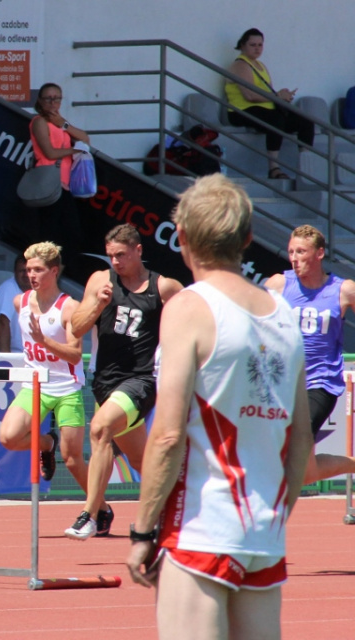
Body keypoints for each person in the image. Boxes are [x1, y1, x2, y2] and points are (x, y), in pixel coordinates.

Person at [126, 174, 312, 640]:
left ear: (182, 238)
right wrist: (273, 515)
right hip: (263, 534)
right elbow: (301, 441)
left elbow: (168, 435)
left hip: (202, 528)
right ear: (247, 238)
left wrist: (143, 531)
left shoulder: (190, 306)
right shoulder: (283, 314)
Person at [65, 223, 183, 540]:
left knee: (100, 429)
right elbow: (75, 328)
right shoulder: (100, 281)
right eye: (110, 256)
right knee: (139, 460)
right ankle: (179, 506)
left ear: (138, 250)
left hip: (142, 381)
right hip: (106, 382)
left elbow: (193, 322)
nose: (115, 262)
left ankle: (91, 513)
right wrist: (96, 304)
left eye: (120, 255)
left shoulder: (165, 288)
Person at [264, 225, 355, 483]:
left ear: (319, 254)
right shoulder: (279, 284)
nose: (294, 257)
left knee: (294, 438)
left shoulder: (343, 290)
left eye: (301, 251)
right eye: (291, 251)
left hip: (321, 384)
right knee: (304, 474)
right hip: (283, 384)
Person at [0, 242, 89, 492]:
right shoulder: (21, 302)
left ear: (54, 271)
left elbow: (75, 355)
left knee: (72, 459)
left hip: (66, 387)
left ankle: (98, 507)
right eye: (28, 270)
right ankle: (46, 443)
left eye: (38, 270)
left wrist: (44, 341)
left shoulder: (69, 307)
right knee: (8, 437)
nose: (31, 276)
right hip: (34, 385)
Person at [224, 28, 315, 180]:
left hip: (264, 109)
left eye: (260, 45)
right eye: (253, 45)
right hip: (241, 110)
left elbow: (268, 95)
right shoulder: (240, 65)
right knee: (275, 120)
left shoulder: (261, 65)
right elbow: (250, 95)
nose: (257, 48)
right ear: (242, 46)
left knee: (305, 122)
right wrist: (277, 96)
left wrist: (281, 96)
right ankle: (274, 169)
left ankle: (306, 169)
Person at [29, 82, 91, 271]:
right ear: (40, 100)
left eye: (57, 98)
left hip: (64, 184)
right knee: (51, 232)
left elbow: (85, 138)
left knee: (71, 232)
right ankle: (46, 269)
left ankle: (59, 270)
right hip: (49, 182)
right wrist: (74, 150)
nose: (53, 102)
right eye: (48, 98)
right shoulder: (38, 121)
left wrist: (63, 124)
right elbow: (49, 152)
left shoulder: (59, 121)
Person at [0, 254, 30, 353]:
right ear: (14, 273)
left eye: (29, 271)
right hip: (3, 359)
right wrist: (6, 360)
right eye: (22, 271)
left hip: (24, 358)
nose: (26, 274)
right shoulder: (8, 289)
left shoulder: (36, 291)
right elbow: (1, 322)